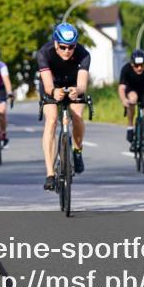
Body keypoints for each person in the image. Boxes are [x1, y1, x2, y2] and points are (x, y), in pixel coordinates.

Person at [36, 22, 91, 191]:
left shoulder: (83, 54)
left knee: (77, 116)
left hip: (73, 84)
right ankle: (50, 173)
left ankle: (78, 150)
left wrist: (78, 90)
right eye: (63, 47)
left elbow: (82, 84)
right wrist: (53, 91)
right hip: (52, 86)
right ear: (55, 43)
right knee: (51, 120)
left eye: (71, 47)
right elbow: (47, 85)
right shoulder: (44, 53)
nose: (67, 50)